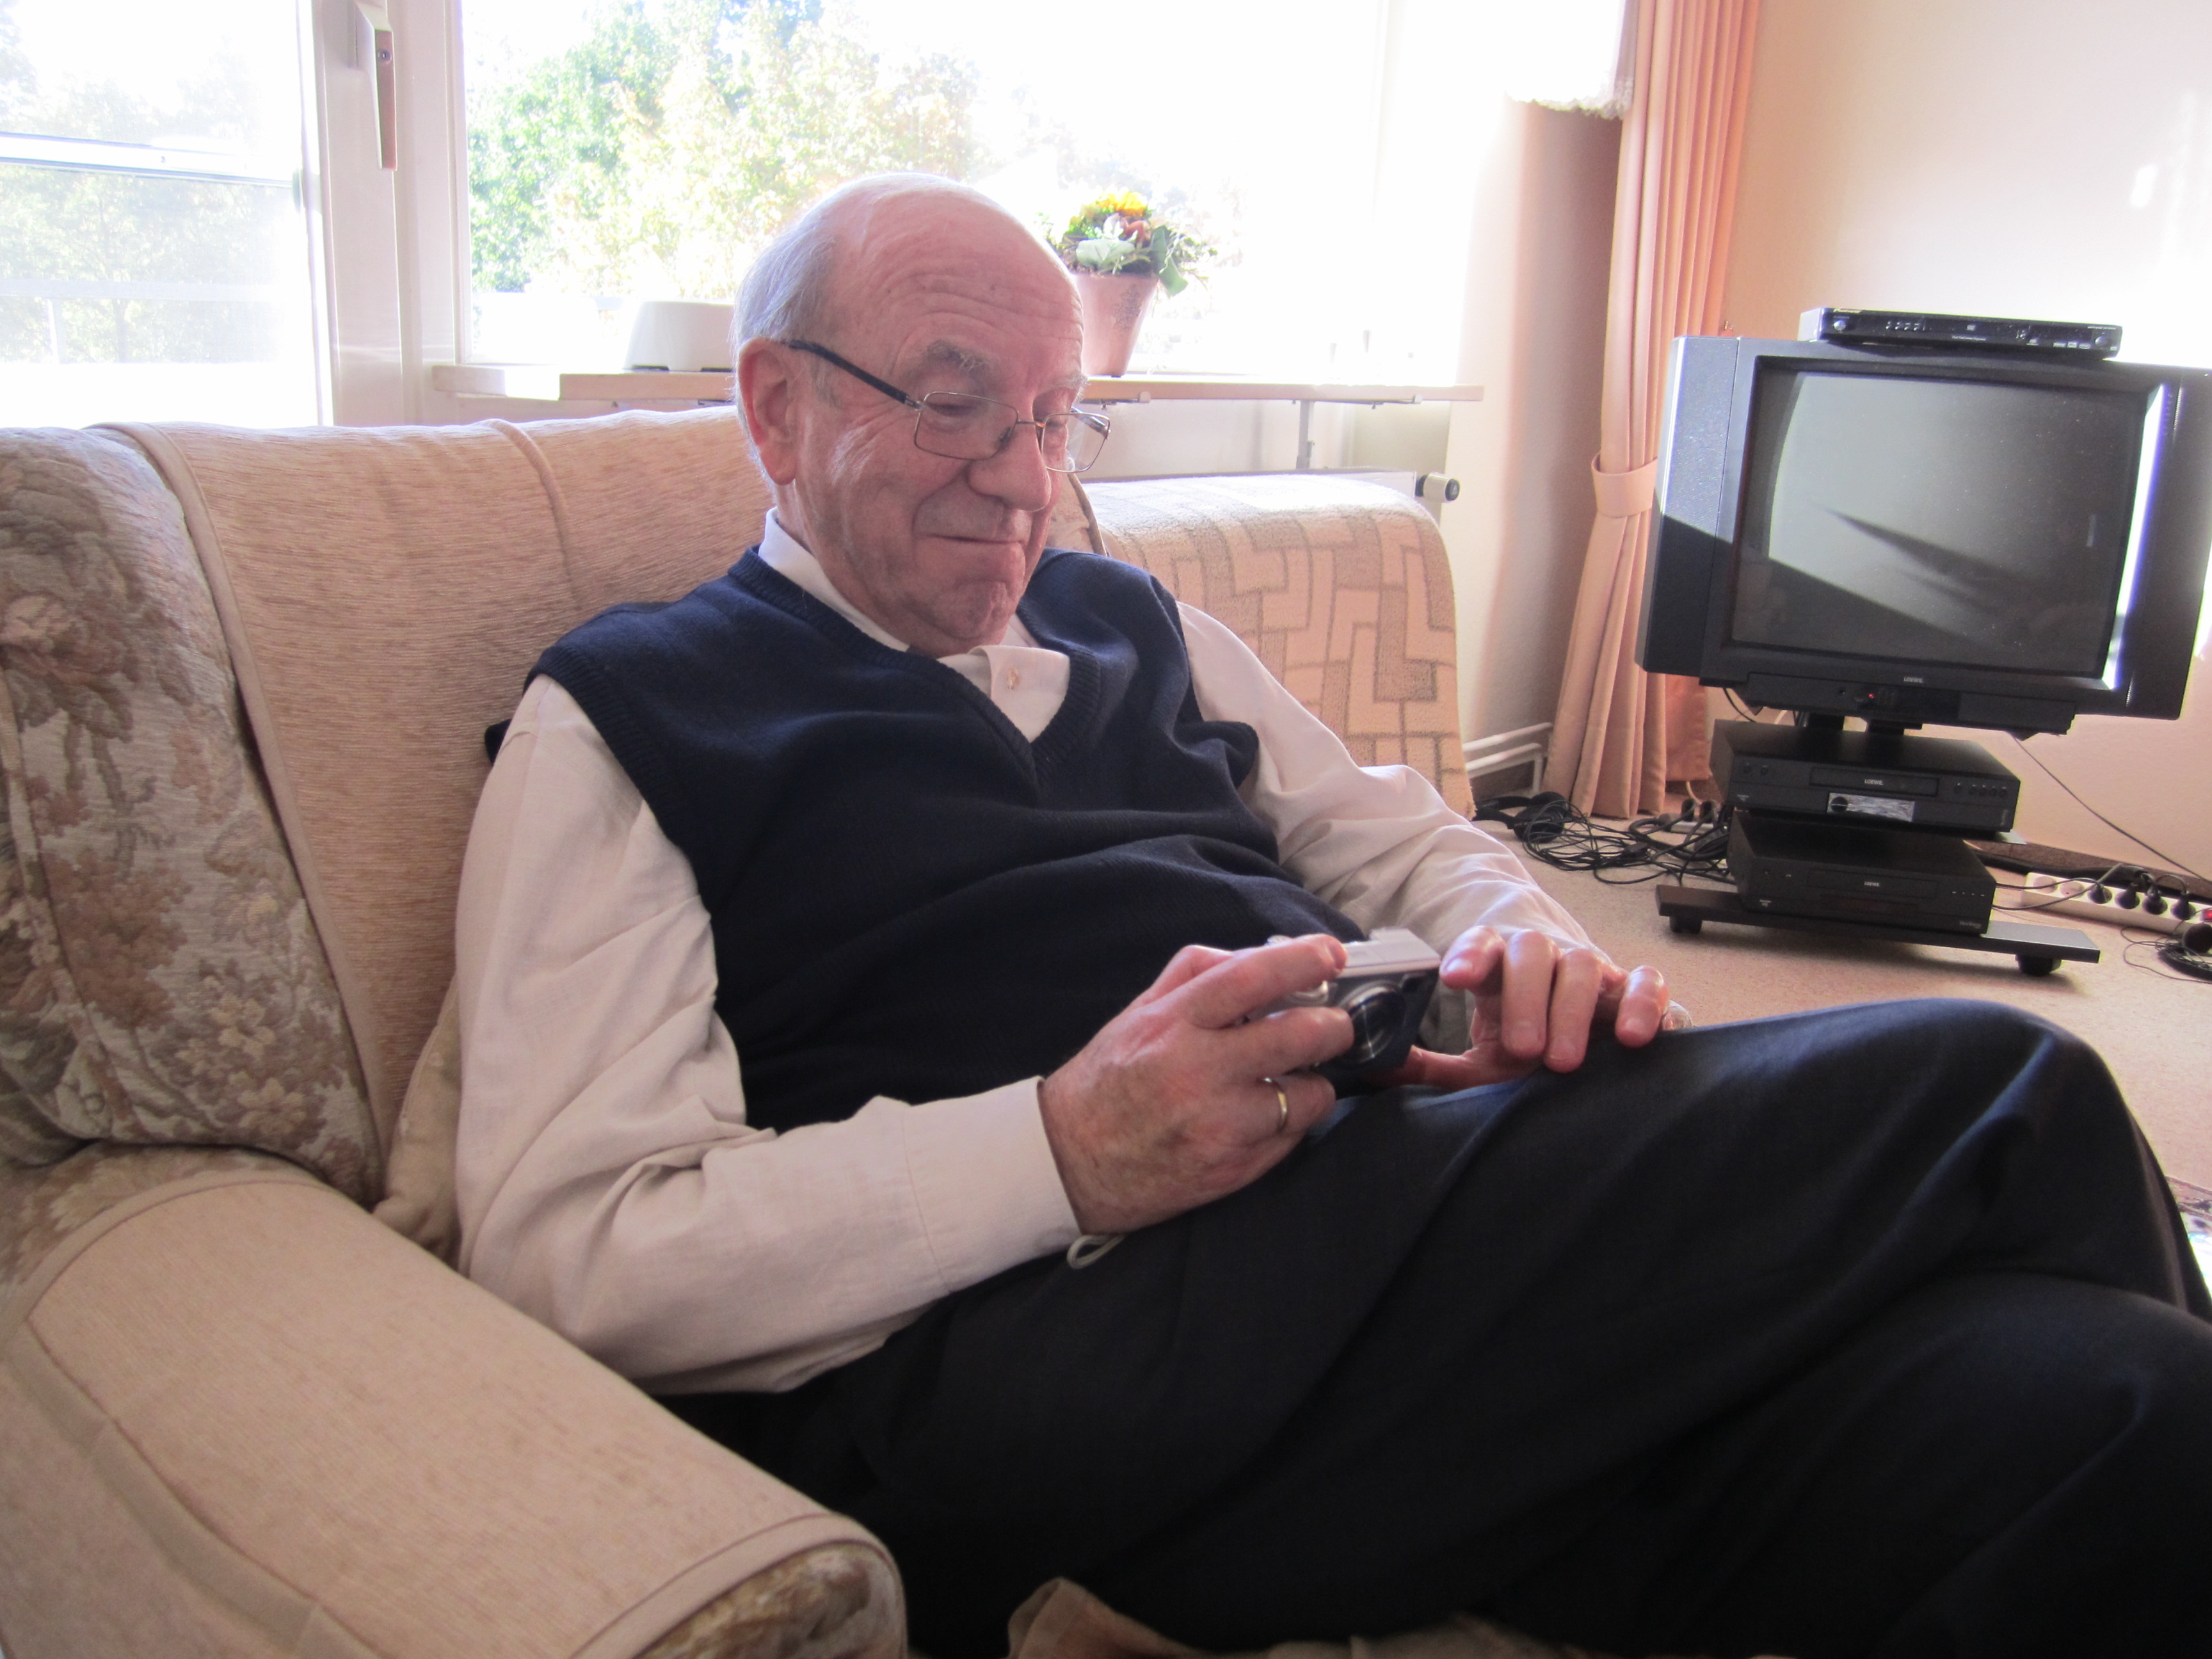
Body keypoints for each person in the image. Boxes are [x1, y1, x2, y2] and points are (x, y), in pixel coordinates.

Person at [453, 173, 2212, 1659]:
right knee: (2004, 1087)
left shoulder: (1129, 620)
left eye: (1055, 416)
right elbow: (567, 1254)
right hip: (1053, 1353)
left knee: (2132, 1406)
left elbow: (1404, 838)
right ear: (775, 407)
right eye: (952, 401)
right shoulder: (634, 717)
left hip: (1400, 1282)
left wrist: (1518, 946)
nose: (1022, 476)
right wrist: (1065, 1147)